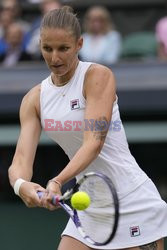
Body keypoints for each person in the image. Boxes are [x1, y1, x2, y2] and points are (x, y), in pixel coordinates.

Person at [8, 6, 167, 250]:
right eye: (47, 48)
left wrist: (58, 181)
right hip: (89, 207)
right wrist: (22, 186)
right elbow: (20, 160)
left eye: (64, 48)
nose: (55, 58)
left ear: (79, 44)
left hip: (132, 201)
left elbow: (94, 142)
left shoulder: (97, 77)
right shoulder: (34, 99)